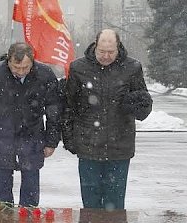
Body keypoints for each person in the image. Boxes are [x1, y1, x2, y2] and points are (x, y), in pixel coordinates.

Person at [63, 29, 152, 209]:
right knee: (91, 203)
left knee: (115, 204)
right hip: (88, 145)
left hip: (120, 146)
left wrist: (139, 105)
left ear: (118, 48)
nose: (105, 56)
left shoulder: (132, 68)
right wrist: (68, 138)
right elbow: (69, 106)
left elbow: (143, 103)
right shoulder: (78, 68)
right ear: (95, 46)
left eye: (110, 52)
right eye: (102, 51)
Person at [0, 42, 60, 207]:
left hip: (32, 137)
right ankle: (4, 221)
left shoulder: (44, 75)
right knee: (2, 187)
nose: (21, 72)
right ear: (8, 61)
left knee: (30, 185)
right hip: (1, 137)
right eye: (16, 67)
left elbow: (54, 111)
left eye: (26, 67)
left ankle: (27, 220)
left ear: (33, 62)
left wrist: (51, 141)